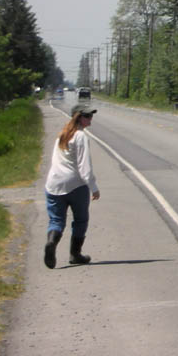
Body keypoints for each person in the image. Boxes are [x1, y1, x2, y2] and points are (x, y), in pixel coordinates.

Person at [43, 103, 100, 268]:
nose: (90, 119)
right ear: (79, 117)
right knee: (81, 220)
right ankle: (75, 254)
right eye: (87, 116)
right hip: (75, 185)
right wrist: (93, 187)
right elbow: (84, 167)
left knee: (56, 219)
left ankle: (51, 242)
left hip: (54, 184)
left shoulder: (62, 134)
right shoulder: (80, 136)